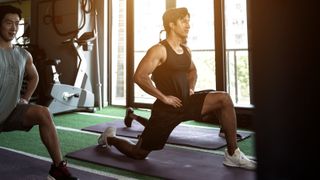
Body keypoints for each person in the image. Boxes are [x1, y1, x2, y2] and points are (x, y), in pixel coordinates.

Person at [98, 7, 256, 170]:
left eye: (189, 21)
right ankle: (110, 138)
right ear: (171, 25)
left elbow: (192, 70)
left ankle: (233, 154)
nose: (188, 25)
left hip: (186, 102)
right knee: (138, 153)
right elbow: (139, 76)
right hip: (166, 110)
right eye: (184, 21)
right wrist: (164, 97)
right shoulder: (159, 50)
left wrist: (191, 88)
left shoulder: (186, 50)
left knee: (224, 98)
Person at [0, 5, 78, 180]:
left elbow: (34, 77)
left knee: (43, 113)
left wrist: (25, 98)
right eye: (8, 23)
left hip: (11, 111)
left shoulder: (23, 55)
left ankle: (58, 168)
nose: (13, 28)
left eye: (16, 23)